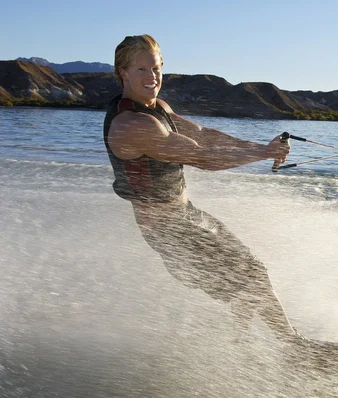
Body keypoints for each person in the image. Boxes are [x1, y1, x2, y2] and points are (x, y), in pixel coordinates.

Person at [103, 34, 307, 347]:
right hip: (168, 232)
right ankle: (292, 348)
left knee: (254, 277)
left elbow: (205, 136)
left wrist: (261, 147)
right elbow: (203, 157)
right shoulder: (132, 125)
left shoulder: (158, 108)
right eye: (143, 69)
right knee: (250, 281)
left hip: (188, 216)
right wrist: (263, 155)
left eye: (156, 68)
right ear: (124, 74)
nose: (153, 76)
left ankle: (246, 347)